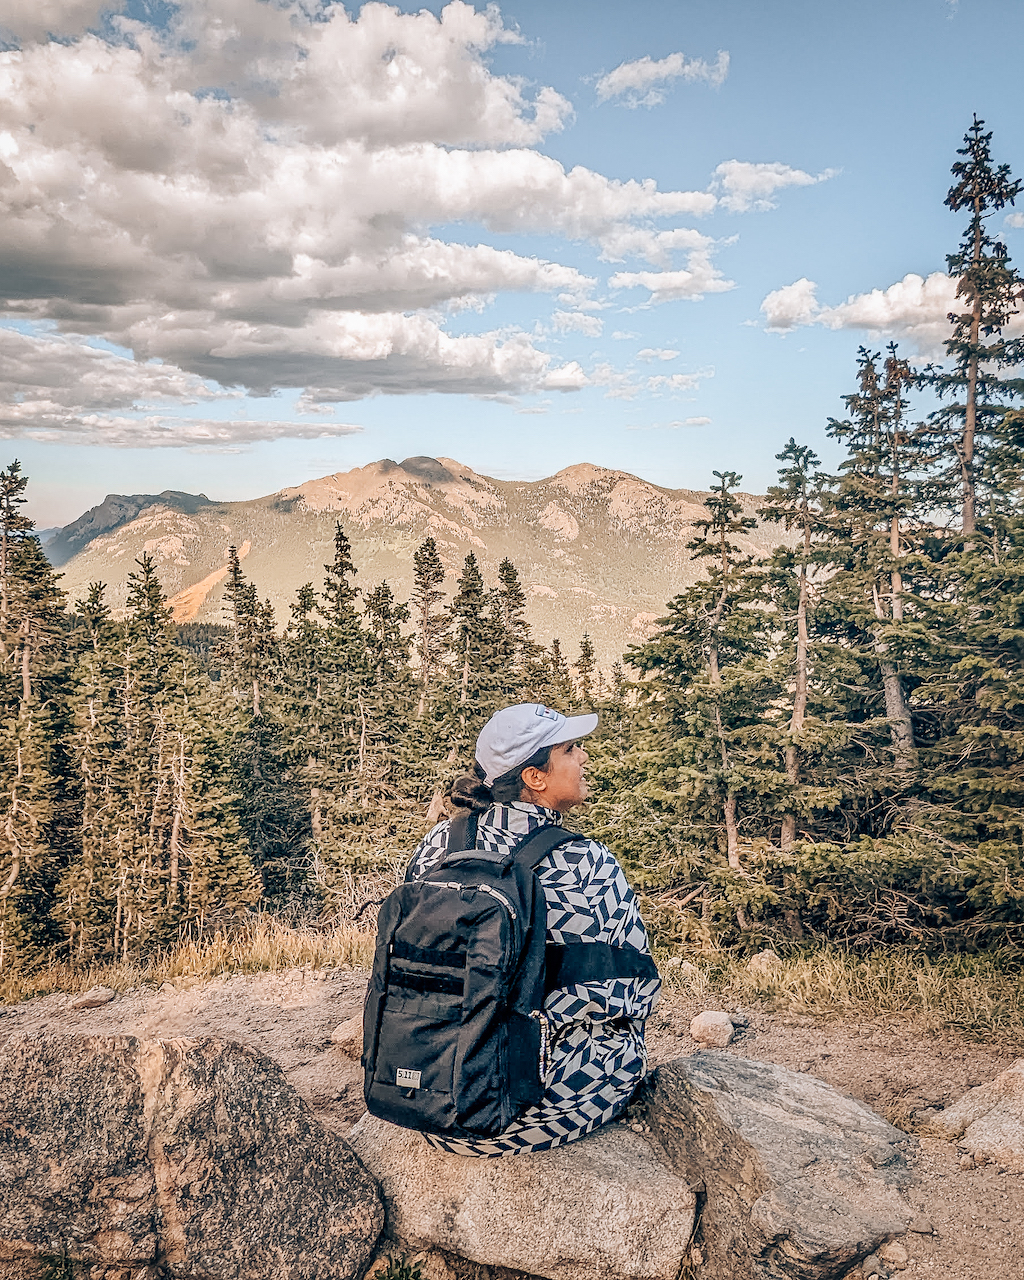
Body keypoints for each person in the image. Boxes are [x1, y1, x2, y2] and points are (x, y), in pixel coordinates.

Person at [406, 702, 661, 1156]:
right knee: (627, 1039)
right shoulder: (585, 863)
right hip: (525, 1113)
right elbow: (631, 991)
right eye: (570, 749)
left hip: (429, 1099)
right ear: (534, 778)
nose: (583, 757)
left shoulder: (438, 844)